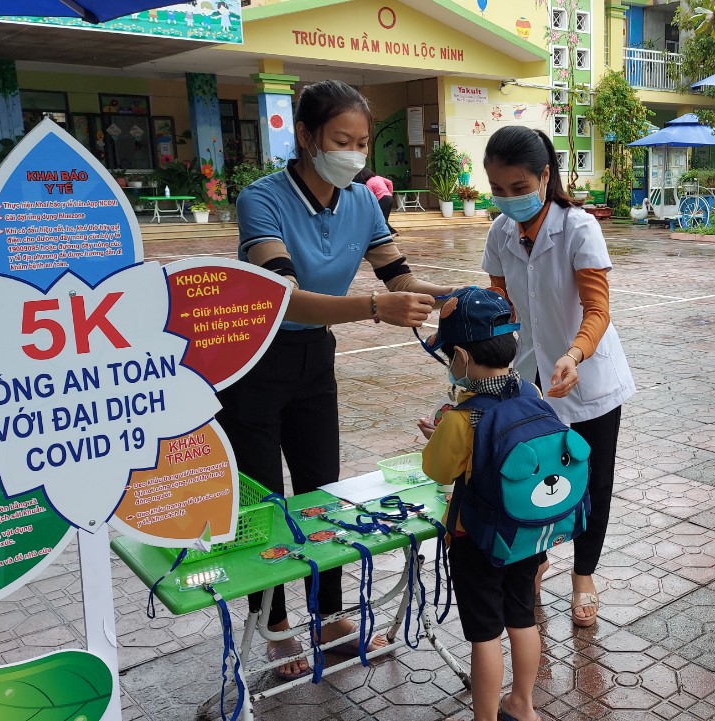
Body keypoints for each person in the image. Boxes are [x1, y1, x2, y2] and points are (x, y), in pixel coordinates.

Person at [220, 79, 458, 680]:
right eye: (340, 140)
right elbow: (282, 298)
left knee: (321, 491)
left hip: (313, 364)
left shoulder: (360, 202)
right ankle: (272, 622)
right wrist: (374, 309)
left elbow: (396, 276)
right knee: (263, 502)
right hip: (251, 363)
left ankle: (326, 613)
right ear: (305, 136)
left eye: (361, 143)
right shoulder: (262, 199)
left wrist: (451, 296)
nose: (353, 154)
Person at [479, 125, 635, 627]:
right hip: (530, 382)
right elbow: (500, 303)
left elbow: (598, 308)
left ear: (546, 176)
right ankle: (539, 556)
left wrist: (574, 354)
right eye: (498, 190)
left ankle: (583, 573)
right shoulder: (500, 231)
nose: (509, 200)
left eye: (520, 188)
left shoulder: (579, 227)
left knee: (592, 480)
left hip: (587, 376)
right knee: (533, 475)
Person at [419, 287, 545, 721]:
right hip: (527, 533)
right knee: (522, 619)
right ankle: (523, 706)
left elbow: (437, 470)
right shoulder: (531, 392)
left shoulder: (461, 418)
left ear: (459, 357)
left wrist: (436, 436)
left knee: (486, 635)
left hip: (480, 541)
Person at [355, 167, 396, 235]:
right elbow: (390, 182)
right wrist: (390, 193)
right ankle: (385, 232)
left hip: (382, 199)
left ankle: (392, 232)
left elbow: (370, 196)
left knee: (380, 217)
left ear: (363, 175)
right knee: (384, 217)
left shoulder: (368, 183)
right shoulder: (378, 177)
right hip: (389, 198)